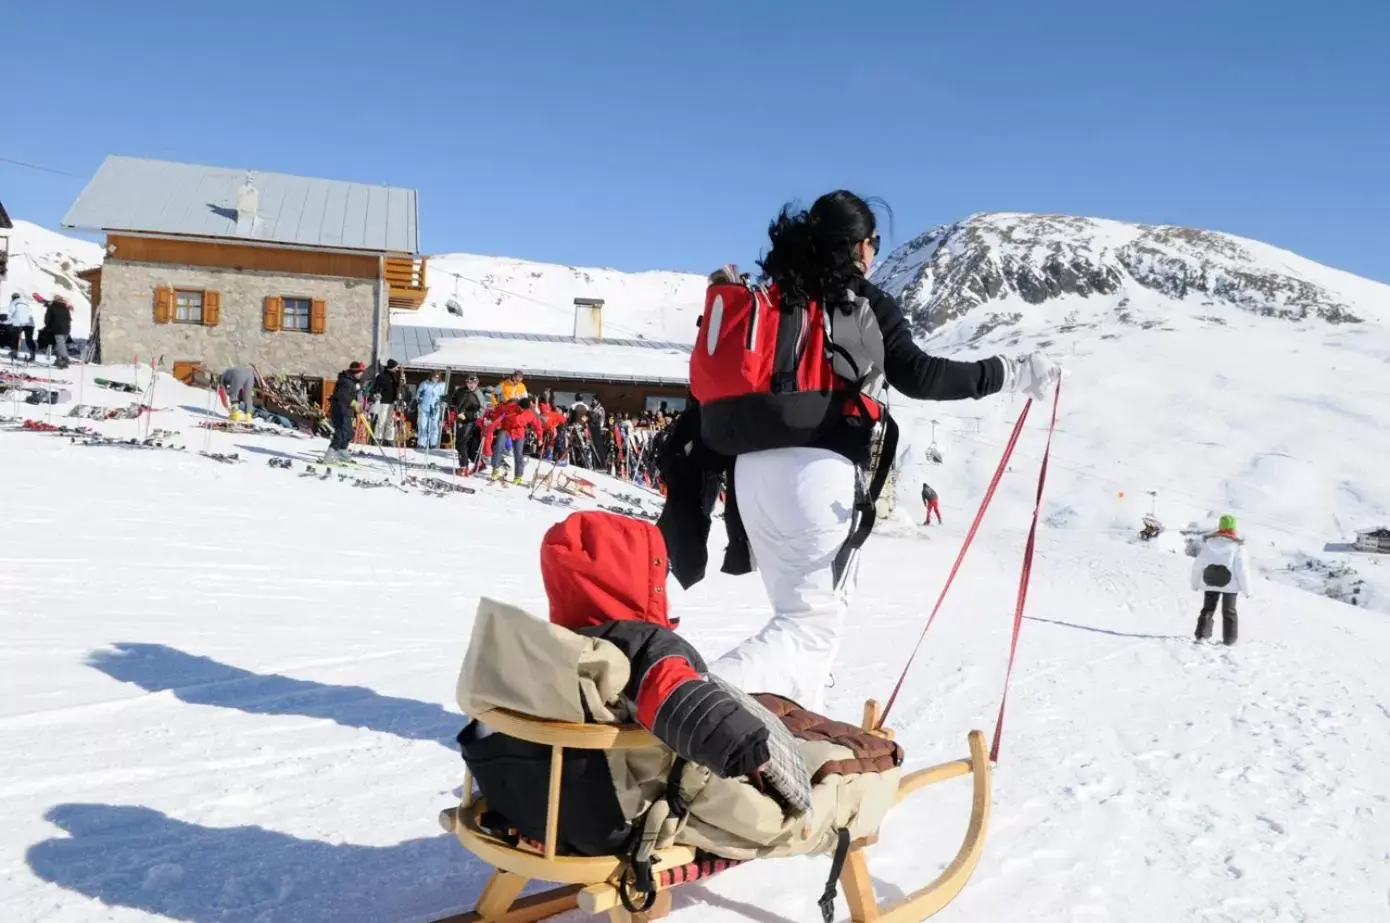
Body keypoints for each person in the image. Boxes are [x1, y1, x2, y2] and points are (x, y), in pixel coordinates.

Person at [664, 190, 1063, 712]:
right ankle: (679, 703)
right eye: (872, 242)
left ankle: (784, 753)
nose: (873, 252)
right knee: (806, 630)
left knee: (803, 624)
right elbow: (920, 375)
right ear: (857, 245)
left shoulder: (769, 299)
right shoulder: (858, 301)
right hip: (816, 477)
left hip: (749, 479)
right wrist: (1010, 372)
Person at [1192, 514, 1252, 645]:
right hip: (1230, 585)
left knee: (1208, 609)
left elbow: (1198, 564)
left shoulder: (1209, 543)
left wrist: (1195, 583)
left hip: (1210, 582)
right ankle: (1229, 640)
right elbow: (1242, 570)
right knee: (1229, 611)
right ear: (1233, 528)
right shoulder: (1237, 546)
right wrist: (1247, 590)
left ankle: (1202, 636)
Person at [483, 396, 543, 484]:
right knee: (498, 447)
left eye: (524, 409)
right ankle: (495, 469)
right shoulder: (509, 408)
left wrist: (540, 437)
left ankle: (518, 476)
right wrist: (492, 420)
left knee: (518, 453)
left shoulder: (530, 413)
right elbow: (498, 411)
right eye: (521, 408)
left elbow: (537, 425)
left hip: (519, 431)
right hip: (506, 428)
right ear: (518, 405)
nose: (522, 410)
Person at [322, 361, 365, 463]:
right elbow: (343, 396)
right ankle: (330, 454)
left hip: (346, 411)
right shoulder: (346, 382)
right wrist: (354, 403)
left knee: (349, 433)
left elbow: (353, 396)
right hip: (340, 410)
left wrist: (358, 403)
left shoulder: (353, 382)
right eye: (361, 372)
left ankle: (342, 452)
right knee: (341, 432)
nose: (362, 374)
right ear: (356, 372)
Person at [451, 374, 486, 471]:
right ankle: (479, 463)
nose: (472, 385)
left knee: (461, 443)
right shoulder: (460, 391)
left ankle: (463, 467)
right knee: (467, 445)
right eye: (470, 383)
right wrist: (448, 399)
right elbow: (455, 401)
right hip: (461, 419)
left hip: (472, 421)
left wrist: (471, 415)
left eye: (474, 383)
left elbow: (482, 410)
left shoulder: (478, 394)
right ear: (466, 383)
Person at [369, 359, 402, 444]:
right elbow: (376, 387)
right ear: (391, 367)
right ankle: (378, 438)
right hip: (383, 402)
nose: (397, 369)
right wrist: (377, 393)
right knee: (381, 421)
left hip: (392, 402)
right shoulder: (382, 376)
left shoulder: (396, 376)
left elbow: (399, 388)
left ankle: (389, 439)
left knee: (390, 422)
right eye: (395, 367)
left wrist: (402, 383)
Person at [415, 371, 447, 451]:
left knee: (434, 426)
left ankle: (433, 443)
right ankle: (422, 443)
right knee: (423, 425)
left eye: (437, 377)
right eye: (434, 377)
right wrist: (420, 398)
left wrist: (443, 402)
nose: (435, 379)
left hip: (435, 408)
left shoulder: (442, 385)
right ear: (431, 377)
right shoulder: (425, 384)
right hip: (424, 407)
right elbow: (418, 394)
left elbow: (444, 396)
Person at [42, 295, 73, 369]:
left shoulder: (52, 307)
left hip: (57, 329)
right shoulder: (65, 307)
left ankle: (65, 358)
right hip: (66, 329)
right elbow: (69, 319)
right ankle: (59, 359)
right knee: (59, 345)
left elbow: (47, 319)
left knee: (60, 345)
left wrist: (48, 327)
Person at [7, 293, 35, 362]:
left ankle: (14, 353)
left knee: (15, 337)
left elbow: (10, 313)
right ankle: (32, 355)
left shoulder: (13, 302)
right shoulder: (25, 302)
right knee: (29, 339)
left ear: (13, 298)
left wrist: (9, 321)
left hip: (19, 322)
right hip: (30, 322)